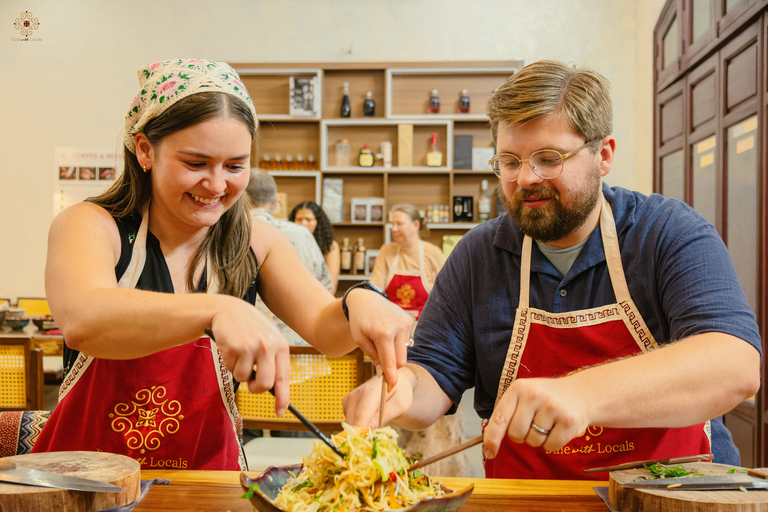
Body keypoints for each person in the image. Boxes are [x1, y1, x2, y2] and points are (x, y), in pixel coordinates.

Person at [343, 60, 762, 480]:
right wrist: (400, 390)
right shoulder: (478, 256)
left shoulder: (667, 233)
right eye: (509, 161)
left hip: (671, 495)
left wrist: (583, 394)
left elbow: (735, 365)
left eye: (549, 158)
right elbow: (434, 373)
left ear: (604, 155)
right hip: (529, 500)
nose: (526, 178)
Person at [32, 59, 412, 471]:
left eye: (235, 166)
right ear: (145, 150)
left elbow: (326, 331)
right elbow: (84, 320)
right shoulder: (91, 224)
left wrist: (358, 302)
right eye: (195, 164)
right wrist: (219, 309)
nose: (216, 185)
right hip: (86, 479)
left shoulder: (256, 241)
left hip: (208, 480)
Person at [369, 204, 468, 476]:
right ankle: (390, 471)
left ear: (415, 225)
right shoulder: (388, 253)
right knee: (394, 411)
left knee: (433, 418)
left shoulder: (433, 254)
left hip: (428, 341)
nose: (394, 228)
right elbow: (375, 290)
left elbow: (447, 299)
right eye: (391, 223)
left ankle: (434, 471)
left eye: (400, 223)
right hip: (393, 342)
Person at [246, 168, 333, 345]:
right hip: (306, 349)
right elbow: (326, 289)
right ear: (276, 201)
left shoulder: (234, 233)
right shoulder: (302, 233)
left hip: (253, 349)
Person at [289, 201, 341, 294]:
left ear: (318, 222)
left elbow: (331, 284)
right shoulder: (288, 242)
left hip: (320, 296)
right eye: (299, 219)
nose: (303, 223)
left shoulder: (330, 245)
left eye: (308, 219)